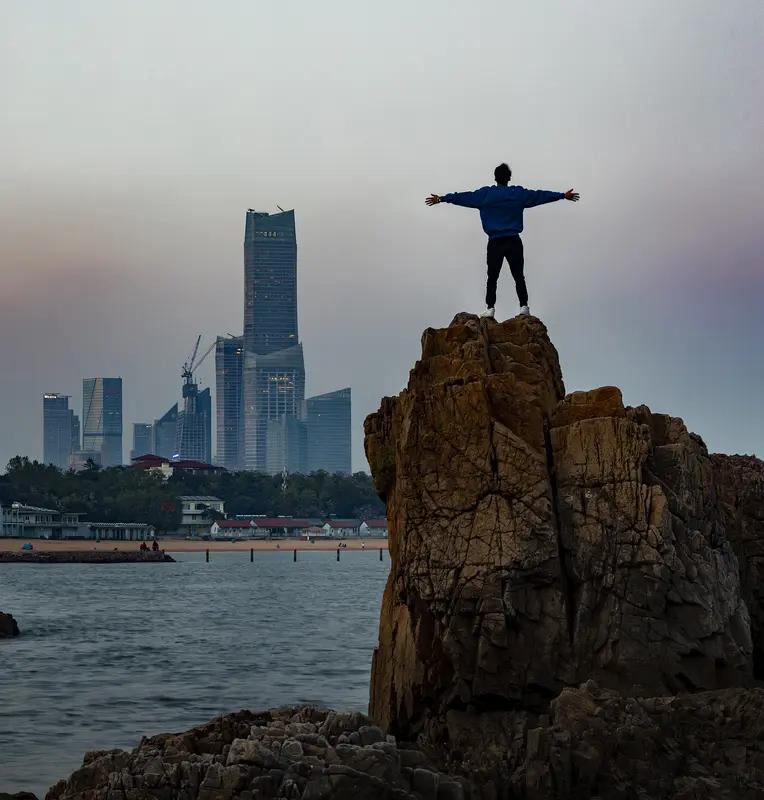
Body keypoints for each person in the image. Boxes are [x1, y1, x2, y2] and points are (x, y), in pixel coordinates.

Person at [426, 164, 579, 318]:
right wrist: (561, 195)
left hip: (495, 242)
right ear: (509, 178)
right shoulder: (518, 194)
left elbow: (463, 197)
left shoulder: (485, 195)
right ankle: (524, 307)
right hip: (513, 240)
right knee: (518, 275)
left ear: (495, 177)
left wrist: (442, 198)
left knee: (492, 276)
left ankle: (490, 308)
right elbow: (539, 196)